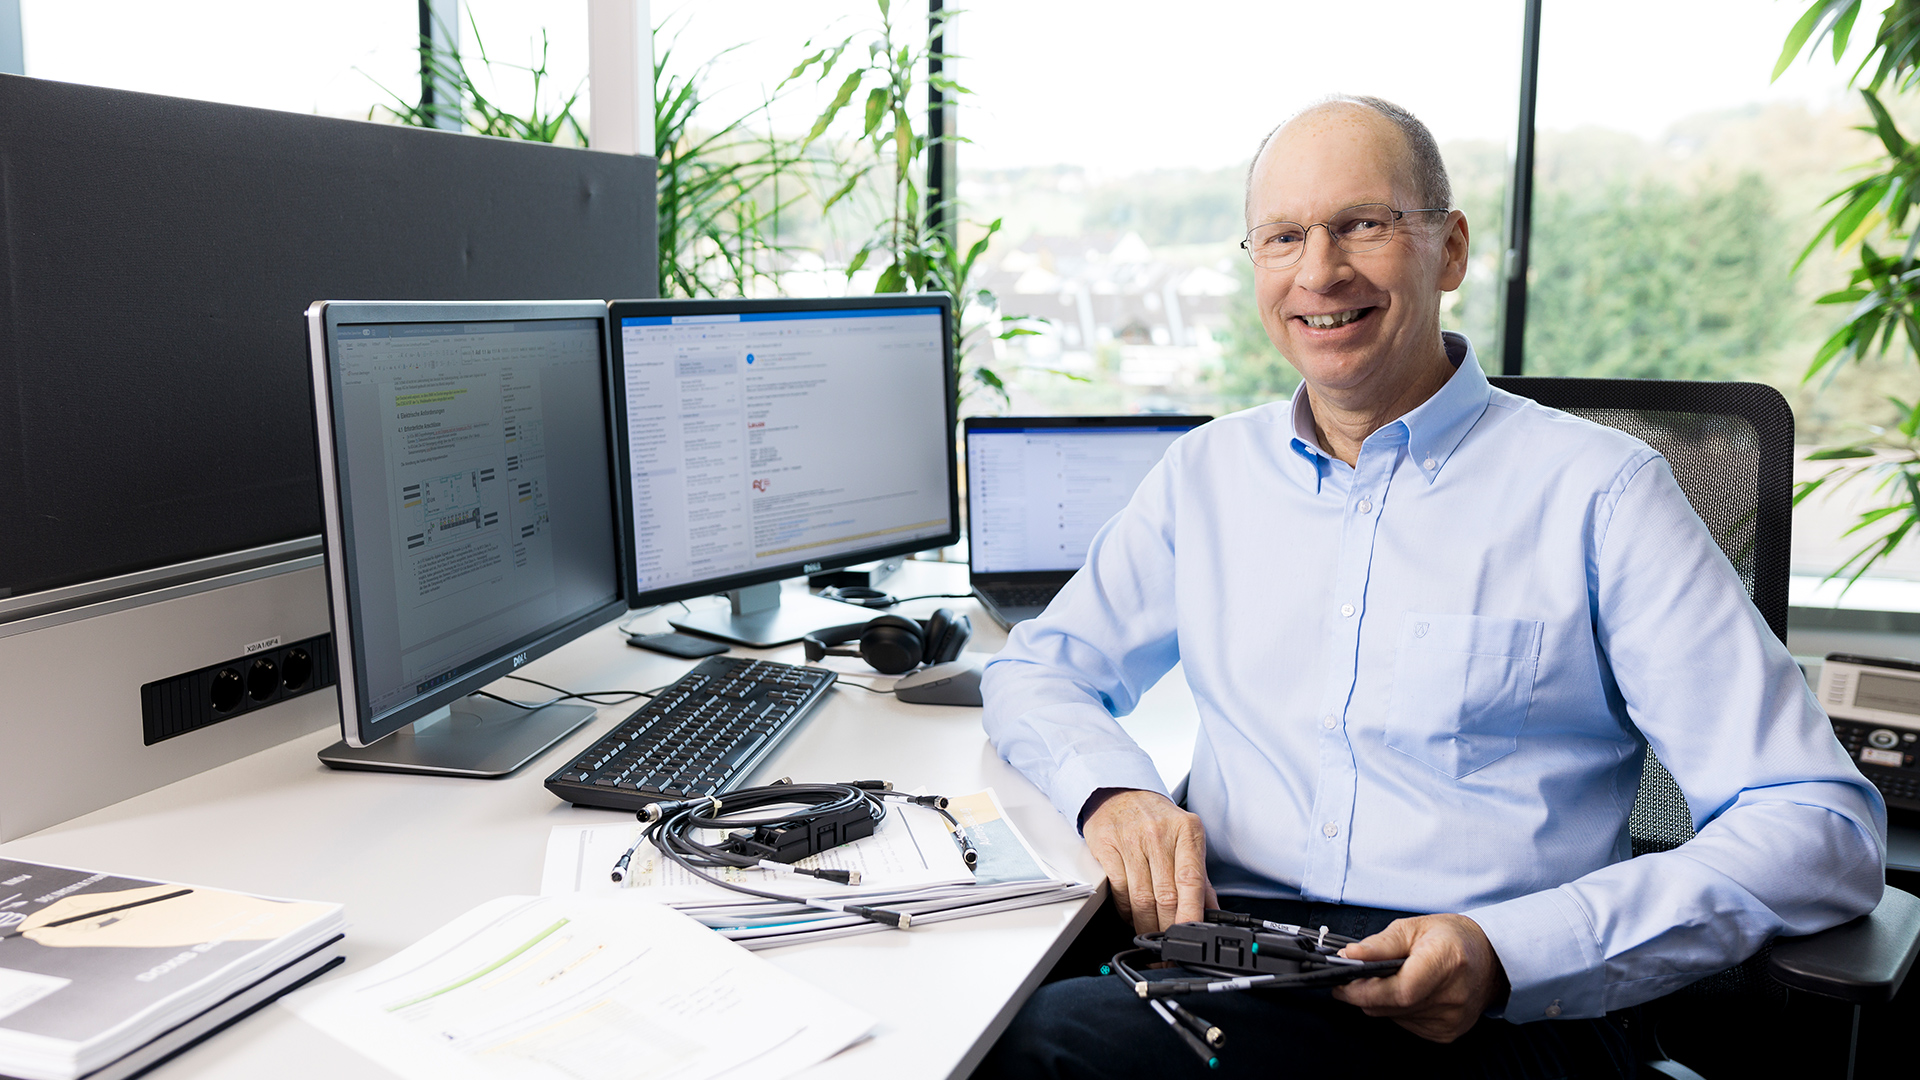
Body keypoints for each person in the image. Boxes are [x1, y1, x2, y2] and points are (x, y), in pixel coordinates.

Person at [977, 95, 1887, 1078]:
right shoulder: (1205, 477)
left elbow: (1818, 826)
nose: (1320, 271)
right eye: (1284, 237)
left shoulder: (1602, 494)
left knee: (1052, 1051)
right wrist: (1113, 793)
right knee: (1003, 1028)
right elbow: (1036, 673)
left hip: (1508, 1010)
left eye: (1362, 225)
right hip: (1243, 966)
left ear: (1448, 250)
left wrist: (1512, 954)